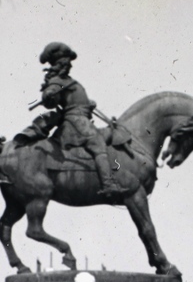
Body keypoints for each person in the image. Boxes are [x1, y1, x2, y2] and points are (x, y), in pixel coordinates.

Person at [18, 41, 121, 194]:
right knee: (97, 143)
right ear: (62, 63)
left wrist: (87, 105)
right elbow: (51, 98)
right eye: (68, 62)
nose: (70, 65)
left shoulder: (69, 81)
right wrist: (49, 95)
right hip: (75, 123)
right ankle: (107, 185)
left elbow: (75, 100)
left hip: (82, 119)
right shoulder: (58, 82)